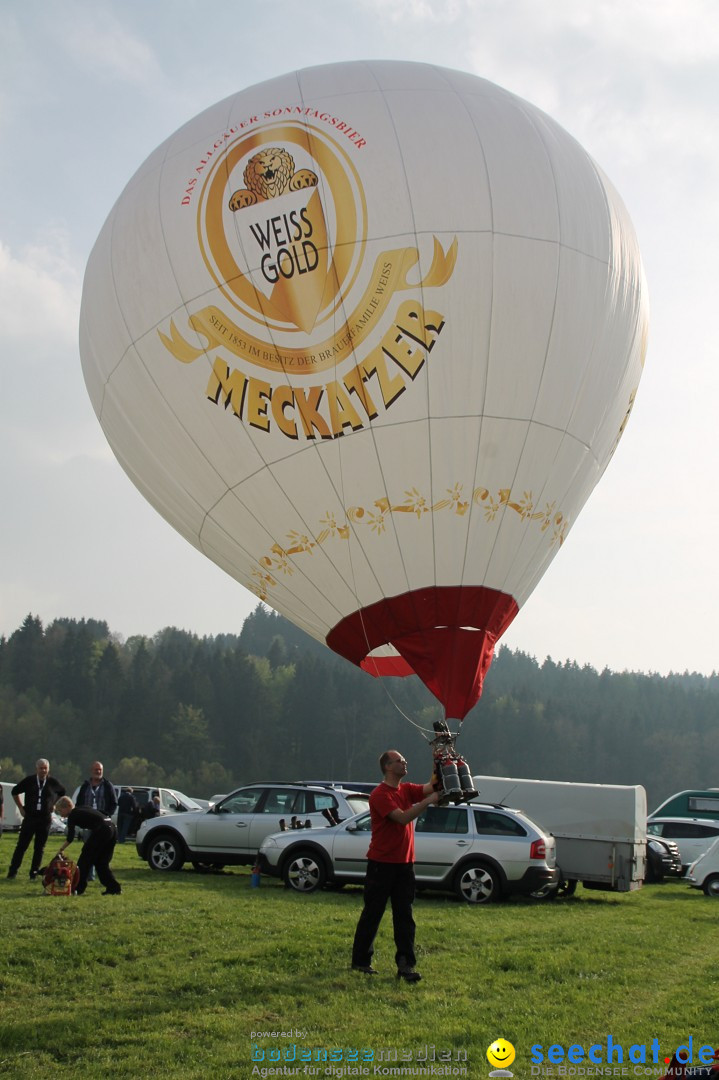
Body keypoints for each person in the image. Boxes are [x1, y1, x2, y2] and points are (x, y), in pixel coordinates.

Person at [351, 750, 439, 982]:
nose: (404, 762)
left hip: (404, 865)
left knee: (404, 916)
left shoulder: (406, 789)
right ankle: (360, 961)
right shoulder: (380, 795)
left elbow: (432, 786)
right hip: (381, 864)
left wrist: (440, 762)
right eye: (399, 760)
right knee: (373, 914)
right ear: (388, 767)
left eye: (404, 759)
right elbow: (401, 818)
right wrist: (427, 802)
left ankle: (406, 966)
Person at [7, 759, 65, 880]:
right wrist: (20, 808)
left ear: (48, 769)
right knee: (22, 845)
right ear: (36, 769)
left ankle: (33, 873)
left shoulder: (52, 782)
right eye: (41, 768)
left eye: (45, 768)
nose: (43, 770)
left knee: (39, 848)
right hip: (30, 817)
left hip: (44, 818)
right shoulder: (29, 781)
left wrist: (54, 804)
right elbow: (14, 791)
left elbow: (62, 792)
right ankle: (12, 872)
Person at [53, 797, 122, 895]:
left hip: (102, 830)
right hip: (112, 828)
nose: (60, 814)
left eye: (60, 811)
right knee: (101, 862)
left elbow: (70, 837)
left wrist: (61, 849)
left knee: (84, 861)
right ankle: (114, 888)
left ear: (68, 807)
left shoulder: (73, 815)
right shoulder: (82, 808)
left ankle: (78, 888)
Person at [75, 762, 118, 879]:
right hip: (88, 823)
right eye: (96, 770)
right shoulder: (85, 786)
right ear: (91, 771)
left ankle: (102, 874)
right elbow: (79, 803)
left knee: (101, 850)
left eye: (100, 770)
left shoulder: (108, 786)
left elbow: (114, 803)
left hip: (102, 824)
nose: (98, 772)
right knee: (88, 849)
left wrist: (106, 816)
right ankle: (89, 875)